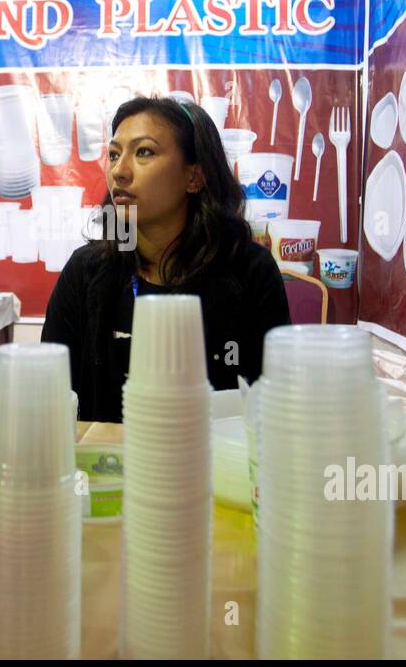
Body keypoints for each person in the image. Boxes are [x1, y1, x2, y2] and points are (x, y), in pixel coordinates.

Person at [42, 95, 290, 422]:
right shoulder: (87, 271)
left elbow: (276, 404)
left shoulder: (249, 270)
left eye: (143, 151)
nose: (119, 171)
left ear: (194, 177)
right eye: (114, 154)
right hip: (106, 465)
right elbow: (47, 395)